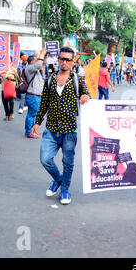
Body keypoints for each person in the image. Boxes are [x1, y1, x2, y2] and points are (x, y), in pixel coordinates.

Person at [31, 47, 91, 204]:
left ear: (72, 62)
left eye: (67, 59)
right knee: (45, 159)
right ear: (57, 59)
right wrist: (37, 122)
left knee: (68, 162)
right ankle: (58, 180)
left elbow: (87, 95)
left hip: (70, 130)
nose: (64, 62)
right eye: (61, 58)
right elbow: (44, 102)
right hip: (51, 129)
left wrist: (85, 97)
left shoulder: (77, 79)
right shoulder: (50, 79)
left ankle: (64, 190)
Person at [24, 50, 48, 138]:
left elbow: (42, 64)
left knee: (34, 114)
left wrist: (45, 56)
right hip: (32, 95)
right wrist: (41, 53)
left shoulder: (34, 69)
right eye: (36, 59)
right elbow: (39, 64)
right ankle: (29, 132)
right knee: (32, 114)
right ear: (32, 62)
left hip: (35, 96)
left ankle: (32, 131)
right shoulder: (29, 68)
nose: (38, 60)